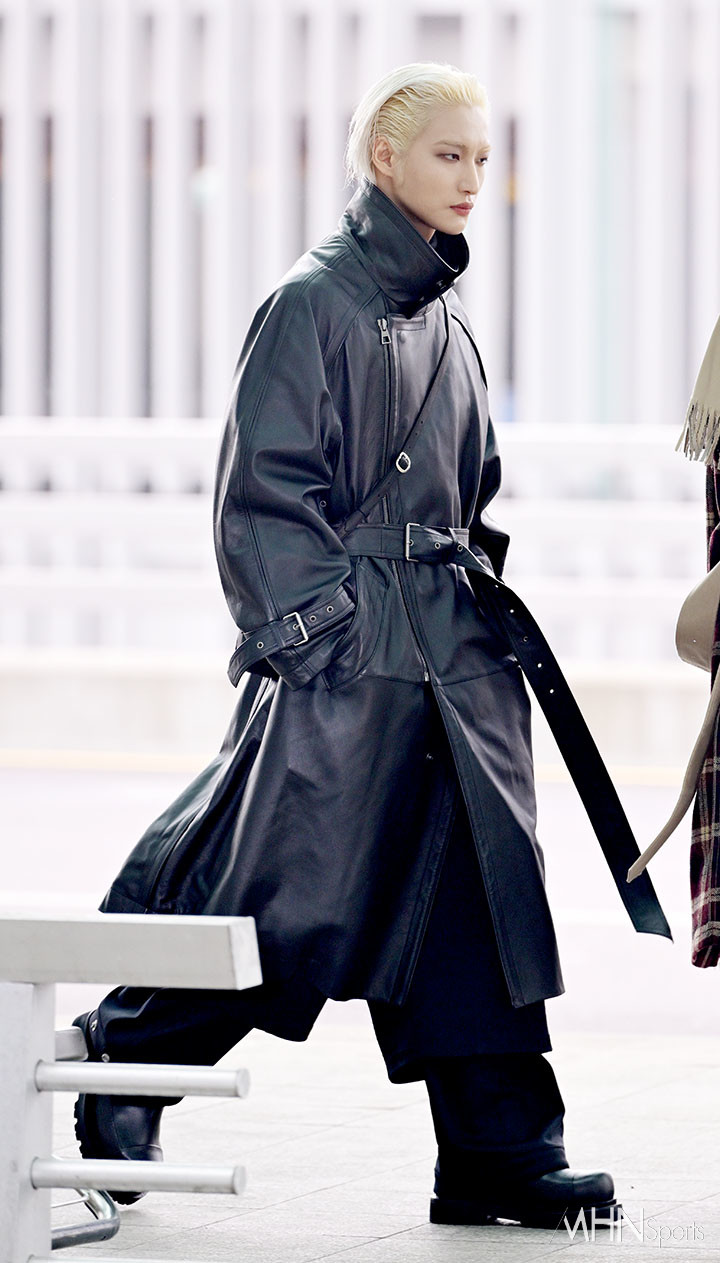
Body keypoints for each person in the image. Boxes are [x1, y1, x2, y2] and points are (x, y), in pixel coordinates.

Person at [72, 61, 670, 1230]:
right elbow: (262, 492)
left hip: (456, 660)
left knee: (478, 906)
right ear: (384, 158)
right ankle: (126, 1056)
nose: (472, 176)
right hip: (355, 663)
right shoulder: (315, 301)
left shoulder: (445, 315)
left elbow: (472, 493)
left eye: (483, 157)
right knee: (294, 900)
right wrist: (318, 640)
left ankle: (500, 1150)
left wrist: (464, 609)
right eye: (449, 154)